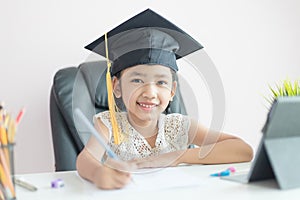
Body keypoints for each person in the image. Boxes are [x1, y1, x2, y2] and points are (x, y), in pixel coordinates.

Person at [76, 8, 253, 190]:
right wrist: (98, 174)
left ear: (172, 91)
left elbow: (243, 151)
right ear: (117, 86)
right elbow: (85, 159)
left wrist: (178, 156)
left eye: (161, 82)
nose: (150, 93)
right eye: (137, 80)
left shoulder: (179, 127)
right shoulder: (108, 126)